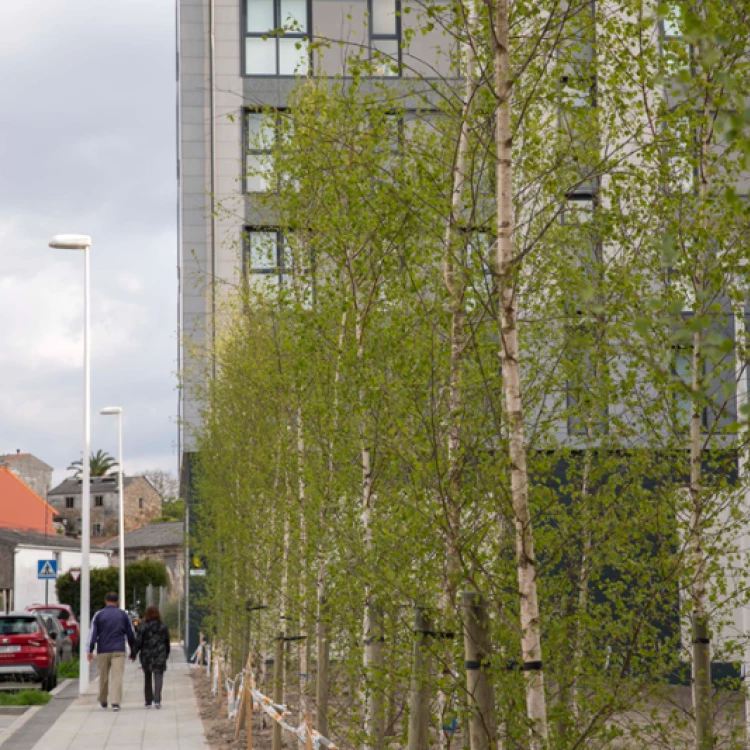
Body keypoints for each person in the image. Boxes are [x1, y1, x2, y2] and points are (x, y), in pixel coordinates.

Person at [87, 592, 136, 712]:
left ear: (106, 601)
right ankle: (115, 702)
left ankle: (103, 699)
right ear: (117, 602)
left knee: (103, 676)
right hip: (119, 649)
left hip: (103, 650)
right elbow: (131, 633)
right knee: (117, 676)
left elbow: (92, 633)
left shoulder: (98, 615)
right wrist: (133, 650)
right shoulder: (123, 615)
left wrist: (90, 649)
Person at [131, 605, 170, 709]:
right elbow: (167, 641)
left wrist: (134, 653)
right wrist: (166, 654)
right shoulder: (163, 626)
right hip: (160, 653)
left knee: (147, 677)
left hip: (147, 654)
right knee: (158, 676)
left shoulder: (143, 626)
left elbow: (138, 641)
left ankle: (148, 700)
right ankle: (157, 700)